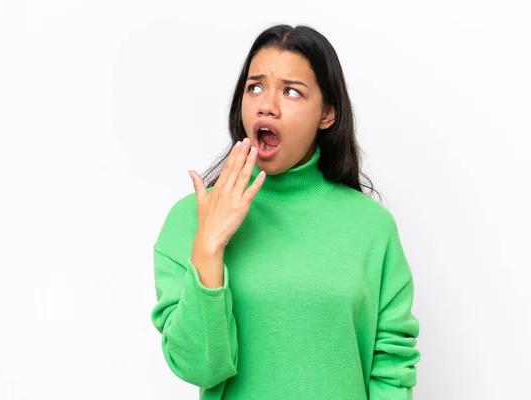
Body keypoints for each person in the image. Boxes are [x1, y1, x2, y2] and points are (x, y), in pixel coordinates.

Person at [150, 24, 421, 399]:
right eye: (255, 87)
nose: (267, 104)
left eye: (291, 91)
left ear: (327, 113)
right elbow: (199, 367)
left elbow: (391, 370)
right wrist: (209, 246)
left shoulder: (372, 228)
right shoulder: (192, 218)